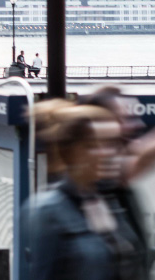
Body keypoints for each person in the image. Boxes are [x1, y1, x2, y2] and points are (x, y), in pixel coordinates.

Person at [26, 105, 150, 279]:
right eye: (94, 145)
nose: (107, 153)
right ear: (72, 151)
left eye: (113, 144)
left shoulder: (118, 200)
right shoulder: (49, 210)